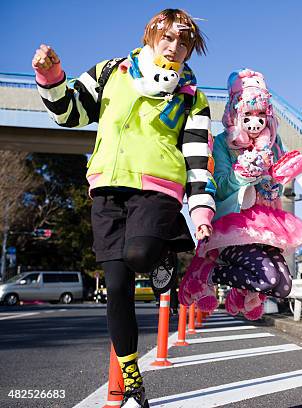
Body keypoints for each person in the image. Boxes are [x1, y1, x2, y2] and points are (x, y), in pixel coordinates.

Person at [32, 9, 215, 407]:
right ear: (151, 35)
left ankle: (167, 246)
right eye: (167, 37)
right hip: (106, 188)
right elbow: (69, 113)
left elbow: (199, 159)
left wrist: (200, 212)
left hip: (158, 189)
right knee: (116, 286)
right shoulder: (111, 71)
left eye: (183, 42)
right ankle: (132, 378)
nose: (174, 47)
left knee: (139, 254)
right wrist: (51, 76)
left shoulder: (192, 98)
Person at [180, 69, 302, 320]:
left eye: (261, 114)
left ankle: (240, 293)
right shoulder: (221, 143)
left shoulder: (274, 143)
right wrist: (243, 174)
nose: (255, 121)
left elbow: (274, 185)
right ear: (235, 112)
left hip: (267, 225)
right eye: (248, 114)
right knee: (266, 277)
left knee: (283, 285)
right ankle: (204, 275)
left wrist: (273, 182)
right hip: (233, 227)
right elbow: (220, 186)